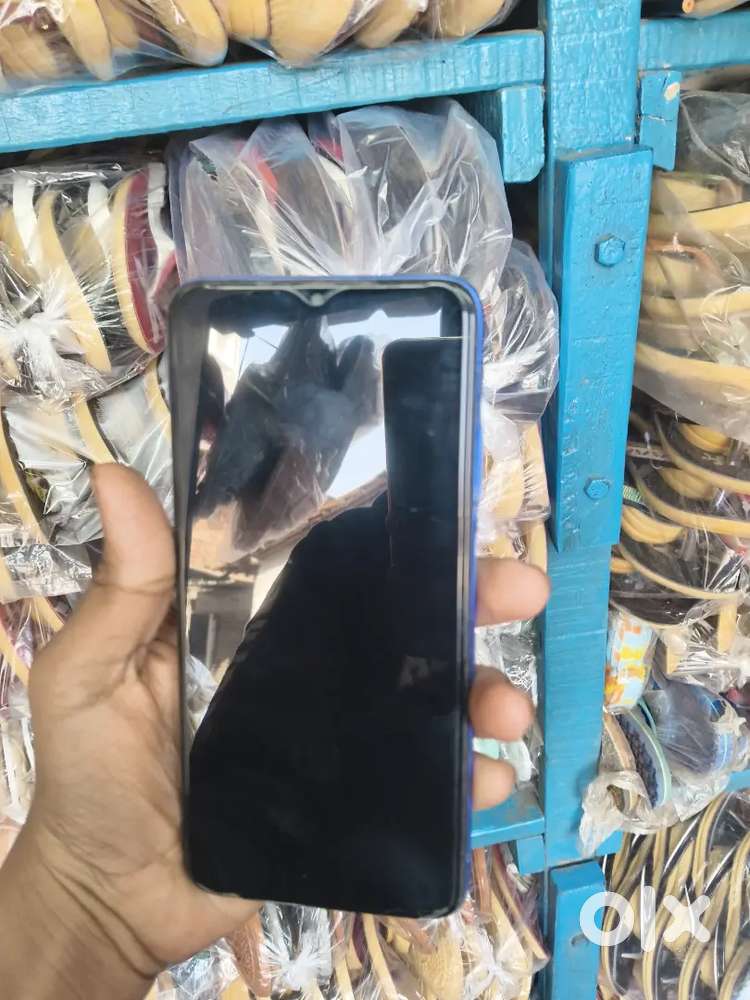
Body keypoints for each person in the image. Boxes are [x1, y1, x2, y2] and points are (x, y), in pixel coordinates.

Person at [0, 465, 550, 1000]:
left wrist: (88, 913)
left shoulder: (332, 548)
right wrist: (87, 909)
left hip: (251, 796)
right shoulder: (344, 554)